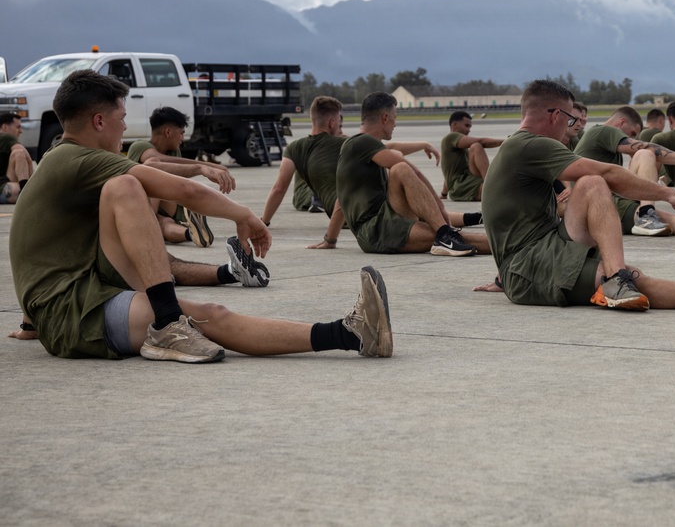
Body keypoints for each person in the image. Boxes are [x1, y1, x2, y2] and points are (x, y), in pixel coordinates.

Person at [9, 70, 393, 362]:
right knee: (126, 190)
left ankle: (350, 334)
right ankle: (168, 324)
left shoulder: (60, 160)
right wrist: (245, 215)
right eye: (121, 117)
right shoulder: (76, 160)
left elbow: (37, 252)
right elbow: (183, 190)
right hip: (75, 313)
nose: (125, 126)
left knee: (209, 310)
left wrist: (30, 322)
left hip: (78, 296)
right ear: (98, 121)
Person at [481, 79, 675, 312]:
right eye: (570, 121)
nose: (570, 130)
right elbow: (608, 174)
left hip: (545, 246)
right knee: (597, 189)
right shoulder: (531, 145)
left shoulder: (522, 146)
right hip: (529, 266)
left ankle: (621, 279)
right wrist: (669, 193)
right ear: (555, 115)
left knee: (592, 187)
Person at [337, 92, 489, 256]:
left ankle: (448, 234)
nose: (395, 123)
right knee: (402, 168)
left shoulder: (360, 144)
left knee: (398, 168)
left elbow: (394, 148)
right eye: (395, 117)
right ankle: (445, 235)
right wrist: (441, 210)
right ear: (385, 118)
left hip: (386, 221)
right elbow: (413, 171)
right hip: (377, 230)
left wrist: (423, 144)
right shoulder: (361, 143)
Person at [572, 105, 675, 237]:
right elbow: (648, 148)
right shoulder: (603, 131)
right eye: (632, 133)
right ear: (621, 122)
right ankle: (646, 215)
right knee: (645, 153)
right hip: (595, 203)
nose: (632, 138)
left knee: (667, 220)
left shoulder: (606, 148)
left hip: (602, 197)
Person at [126, 106, 236, 247]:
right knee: (163, 224)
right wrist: (204, 167)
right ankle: (192, 233)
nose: (182, 138)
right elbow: (152, 163)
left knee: (159, 221)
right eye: (181, 133)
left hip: (164, 207)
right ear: (168, 132)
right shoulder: (139, 145)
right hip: (149, 207)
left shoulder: (174, 151)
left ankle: (148, 225)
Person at [261, 96, 349, 249]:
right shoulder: (344, 144)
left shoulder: (294, 148)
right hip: (357, 214)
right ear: (332, 122)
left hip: (340, 215)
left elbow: (279, 188)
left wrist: (264, 221)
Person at [439, 110, 503, 201]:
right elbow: (481, 142)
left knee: (474, 147)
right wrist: (506, 142)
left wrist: (444, 194)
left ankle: (490, 184)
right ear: (454, 125)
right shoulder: (451, 137)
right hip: (461, 187)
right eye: (466, 126)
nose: (468, 130)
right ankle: (490, 184)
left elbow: (449, 171)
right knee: (476, 146)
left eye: (470, 127)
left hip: (468, 180)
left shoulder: (460, 147)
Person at [0, 112, 34, 205]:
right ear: (4, 127)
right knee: (19, 153)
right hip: (4, 188)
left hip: (6, 185)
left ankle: (26, 192)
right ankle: (26, 193)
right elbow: (28, 159)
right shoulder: (6, 137)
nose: (21, 131)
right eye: (18, 127)